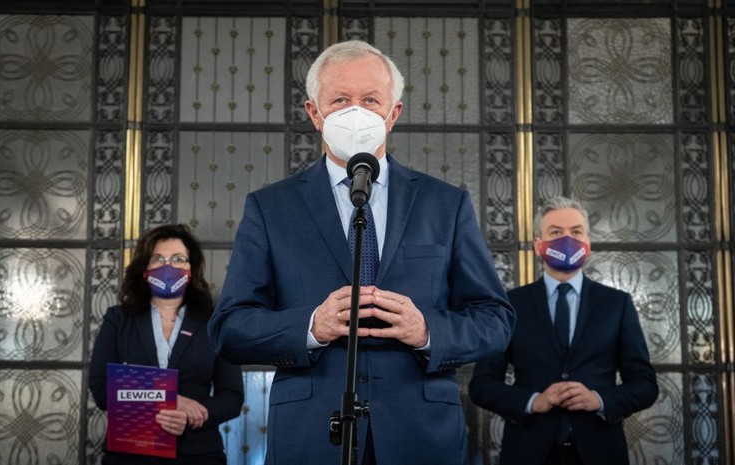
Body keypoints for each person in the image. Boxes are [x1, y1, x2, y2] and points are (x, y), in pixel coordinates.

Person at [207, 40, 515, 465]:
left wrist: (427, 331)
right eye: (340, 100)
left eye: (370, 100)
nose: (356, 112)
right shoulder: (270, 207)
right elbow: (229, 327)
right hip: (310, 437)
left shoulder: (445, 204)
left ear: (394, 113)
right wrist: (311, 326)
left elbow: (495, 320)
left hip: (421, 436)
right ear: (314, 112)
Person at [469, 196, 659, 465]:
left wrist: (599, 400)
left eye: (576, 232)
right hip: (527, 452)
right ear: (538, 244)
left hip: (601, 452)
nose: (567, 239)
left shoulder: (617, 304)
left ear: (588, 243)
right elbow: (482, 385)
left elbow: (645, 385)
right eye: (556, 232)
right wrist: (534, 401)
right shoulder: (511, 305)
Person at [89, 224, 244, 465]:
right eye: (158, 259)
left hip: (199, 455)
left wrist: (191, 415)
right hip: (130, 454)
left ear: (191, 269)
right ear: (145, 269)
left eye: (178, 259)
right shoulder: (118, 319)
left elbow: (232, 397)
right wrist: (168, 399)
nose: (168, 266)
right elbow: (101, 387)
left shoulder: (214, 323)